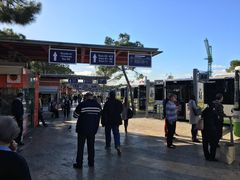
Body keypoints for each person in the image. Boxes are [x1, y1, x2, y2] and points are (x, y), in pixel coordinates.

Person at [72, 92, 102, 169]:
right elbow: (99, 116)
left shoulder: (82, 104)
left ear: (85, 97)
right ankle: (91, 163)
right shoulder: (98, 106)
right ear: (92, 97)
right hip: (92, 130)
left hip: (82, 129)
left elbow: (75, 115)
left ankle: (79, 164)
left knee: (80, 147)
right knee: (91, 146)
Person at [101, 91, 123, 155]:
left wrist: (103, 122)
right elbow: (121, 110)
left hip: (108, 121)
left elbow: (104, 113)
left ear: (110, 95)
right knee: (116, 133)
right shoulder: (118, 102)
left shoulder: (107, 103)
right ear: (115, 95)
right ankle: (117, 145)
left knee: (108, 133)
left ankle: (108, 145)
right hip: (116, 121)